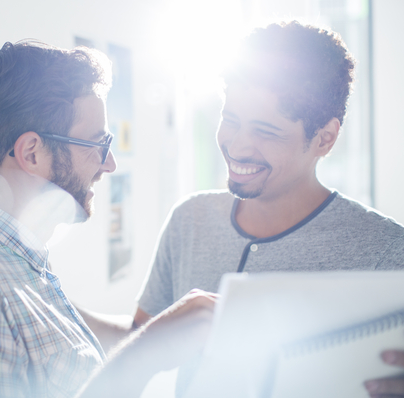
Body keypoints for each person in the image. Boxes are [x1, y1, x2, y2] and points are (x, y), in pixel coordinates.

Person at [80, 21, 404, 397]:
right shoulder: (190, 219)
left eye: (266, 132)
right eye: (230, 120)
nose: (237, 146)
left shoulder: (386, 250)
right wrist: (47, 299)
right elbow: (141, 337)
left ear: (325, 138)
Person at [0, 41, 215, 398]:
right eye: (97, 144)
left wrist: (156, 337)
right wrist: (142, 358)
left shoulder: (18, 264)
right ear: (32, 153)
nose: (109, 164)